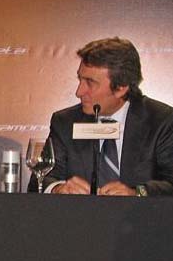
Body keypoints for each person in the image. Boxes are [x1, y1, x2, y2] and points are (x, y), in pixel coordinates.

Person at [41, 37, 173, 196]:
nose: (79, 92)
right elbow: (40, 178)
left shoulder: (161, 121)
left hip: (140, 213)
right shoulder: (65, 122)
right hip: (78, 212)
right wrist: (57, 188)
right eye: (80, 79)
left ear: (121, 88)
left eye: (90, 82)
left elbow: (170, 182)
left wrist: (137, 193)